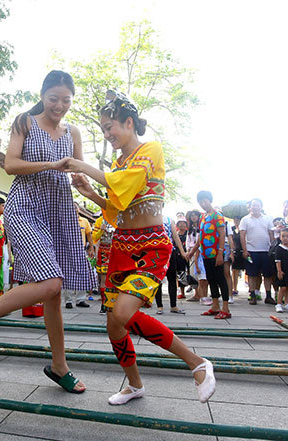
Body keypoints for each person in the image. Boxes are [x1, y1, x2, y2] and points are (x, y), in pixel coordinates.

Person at [66, 91, 215, 404]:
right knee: (113, 324)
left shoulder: (151, 150)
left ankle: (196, 362)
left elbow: (123, 182)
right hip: (121, 245)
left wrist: (79, 164)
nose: (108, 135)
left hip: (151, 247)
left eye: (111, 128)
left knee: (123, 313)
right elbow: (117, 208)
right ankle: (134, 385)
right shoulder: (120, 162)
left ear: (129, 122)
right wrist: (91, 193)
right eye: (104, 130)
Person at [0, 71, 93, 395]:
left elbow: (77, 169)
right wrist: (51, 164)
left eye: (66, 100)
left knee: (53, 294)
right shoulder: (25, 122)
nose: (59, 106)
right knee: (51, 282)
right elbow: (11, 165)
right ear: (43, 95)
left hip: (59, 212)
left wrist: (85, 184)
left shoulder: (73, 131)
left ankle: (59, 366)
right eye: (53, 99)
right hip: (25, 208)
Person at [198, 191, 231, 319]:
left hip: (216, 253)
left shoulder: (217, 216)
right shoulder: (203, 216)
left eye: (205, 200)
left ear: (210, 200)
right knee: (211, 280)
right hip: (205, 254)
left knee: (220, 279)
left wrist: (220, 253)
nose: (203, 204)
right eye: (200, 201)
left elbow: (222, 234)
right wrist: (193, 251)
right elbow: (200, 236)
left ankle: (226, 308)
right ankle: (215, 305)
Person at [239, 198, 275, 305]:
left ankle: (268, 296)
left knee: (268, 275)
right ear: (250, 207)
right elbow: (242, 234)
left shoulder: (268, 218)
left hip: (266, 250)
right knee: (252, 274)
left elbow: (271, 234)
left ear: (261, 206)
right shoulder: (245, 219)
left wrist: (273, 249)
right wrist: (245, 250)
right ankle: (253, 295)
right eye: (253, 205)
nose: (255, 207)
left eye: (257, 205)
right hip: (251, 250)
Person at [64, 204, 94, 308]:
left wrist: (91, 248)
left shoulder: (84, 221)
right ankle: (68, 300)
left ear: (79, 210)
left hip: (81, 250)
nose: (74, 210)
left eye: (75, 208)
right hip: (67, 250)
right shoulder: (65, 220)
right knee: (67, 275)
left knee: (83, 274)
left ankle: (81, 300)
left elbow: (89, 235)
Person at [157, 216, 188, 314]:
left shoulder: (169, 220)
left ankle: (173, 305)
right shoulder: (150, 219)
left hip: (170, 252)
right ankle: (159, 306)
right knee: (158, 280)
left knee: (172, 278)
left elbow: (175, 236)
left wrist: (183, 252)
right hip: (156, 253)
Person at [92, 215, 114, 314]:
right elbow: (94, 237)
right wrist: (101, 230)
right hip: (104, 252)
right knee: (103, 279)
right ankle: (104, 304)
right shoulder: (99, 221)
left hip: (116, 251)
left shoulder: (119, 218)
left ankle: (113, 303)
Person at [229, 217, 245, 296]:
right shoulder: (231, 228)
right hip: (235, 251)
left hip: (244, 250)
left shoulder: (244, 228)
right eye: (235, 220)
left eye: (238, 220)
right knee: (235, 270)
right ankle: (234, 288)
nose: (236, 221)